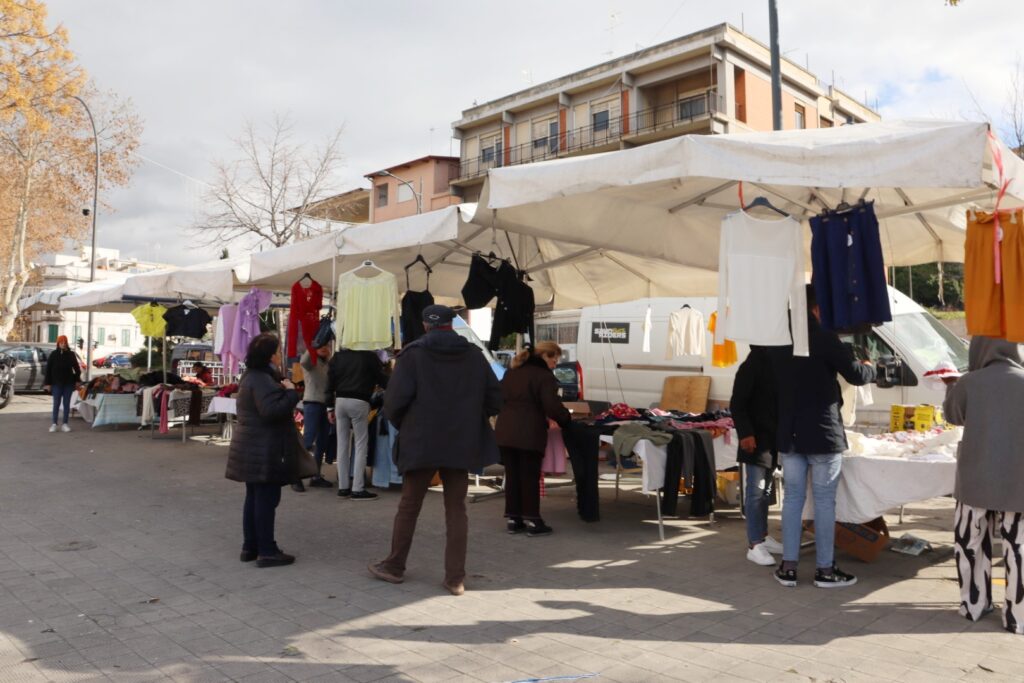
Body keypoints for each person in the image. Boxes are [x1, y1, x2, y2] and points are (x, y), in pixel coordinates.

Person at [368, 304, 502, 596]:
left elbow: (393, 403)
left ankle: (394, 566)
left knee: (409, 505)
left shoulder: (413, 355)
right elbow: (495, 398)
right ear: (452, 324)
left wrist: (409, 425)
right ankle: (455, 578)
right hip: (462, 440)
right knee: (457, 509)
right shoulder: (474, 356)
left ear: (426, 325)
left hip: (421, 440)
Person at [772, 284, 875, 588]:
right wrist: (869, 368)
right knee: (824, 502)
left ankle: (788, 568)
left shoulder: (779, 341)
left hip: (790, 432)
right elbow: (856, 375)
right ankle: (825, 571)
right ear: (817, 309)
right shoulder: (825, 338)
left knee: (792, 500)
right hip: (822, 431)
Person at [942, 337, 1024, 635]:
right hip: (1019, 479)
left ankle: (974, 605)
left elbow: (952, 416)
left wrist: (951, 387)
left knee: (971, 544)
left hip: (976, 475)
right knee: (1019, 547)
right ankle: (1018, 615)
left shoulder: (969, 382)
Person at [224, 334, 301, 568]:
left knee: (255, 497)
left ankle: (251, 547)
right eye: (278, 351)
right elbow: (271, 410)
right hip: (263, 448)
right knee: (266, 499)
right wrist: (290, 392)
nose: (280, 355)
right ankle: (266, 550)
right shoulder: (261, 378)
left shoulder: (253, 376)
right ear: (271, 356)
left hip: (252, 446)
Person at [495, 341, 570, 536]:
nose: (555, 363)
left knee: (513, 476)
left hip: (505, 430)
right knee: (529, 476)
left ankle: (514, 519)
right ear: (545, 356)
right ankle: (534, 521)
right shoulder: (543, 376)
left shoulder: (512, 372)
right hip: (528, 432)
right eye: (554, 358)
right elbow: (552, 406)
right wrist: (566, 419)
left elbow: (498, 398)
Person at [729, 345, 783, 566]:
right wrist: (746, 434)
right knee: (755, 491)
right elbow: (737, 404)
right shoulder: (750, 366)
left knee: (766, 491)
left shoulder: (776, 364)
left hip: (772, 440)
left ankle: (762, 536)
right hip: (755, 440)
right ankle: (754, 544)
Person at [327, 342, 387, 500]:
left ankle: (343, 487)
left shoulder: (338, 356)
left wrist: (329, 407)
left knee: (342, 444)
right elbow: (382, 380)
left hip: (340, 401)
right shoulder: (369, 357)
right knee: (360, 444)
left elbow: (329, 382)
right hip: (360, 401)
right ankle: (358, 488)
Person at [293, 345, 334, 492]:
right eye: (321, 346)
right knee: (308, 440)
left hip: (326, 405)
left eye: (327, 346)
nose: (325, 349)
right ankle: (295, 476)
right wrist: (314, 346)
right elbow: (304, 360)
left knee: (322, 441)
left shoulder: (328, 363)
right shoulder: (310, 361)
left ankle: (315, 476)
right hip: (313, 403)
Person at [43, 335, 81, 433]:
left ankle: (65, 424)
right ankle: (54, 424)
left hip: (68, 383)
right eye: (61, 342)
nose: (63, 344)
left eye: (64, 342)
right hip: (56, 384)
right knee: (56, 403)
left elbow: (77, 369)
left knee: (66, 404)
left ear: (66, 343)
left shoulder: (71, 354)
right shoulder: (53, 354)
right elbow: (48, 370)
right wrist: (48, 383)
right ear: (58, 343)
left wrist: (77, 381)